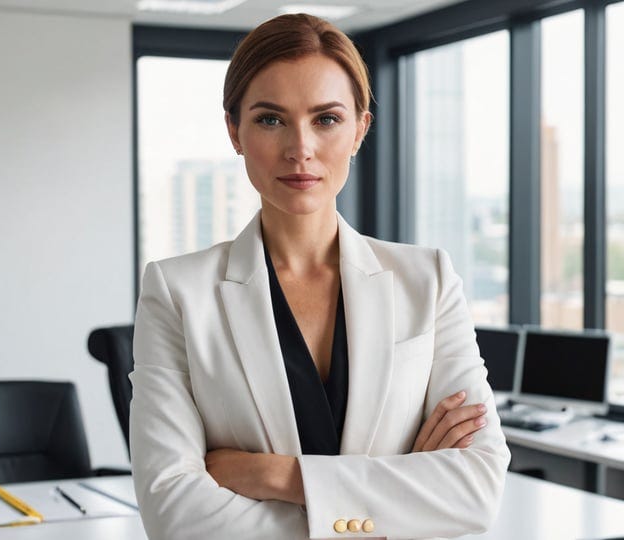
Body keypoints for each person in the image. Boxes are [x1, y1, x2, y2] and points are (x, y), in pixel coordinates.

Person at [130, 13, 510, 540]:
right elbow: (173, 513)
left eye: (326, 119)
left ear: (360, 129)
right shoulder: (177, 293)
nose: (300, 148)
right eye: (270, 119)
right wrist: (400, 496)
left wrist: (274, 475)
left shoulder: (428, 281)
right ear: (234, 131)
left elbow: (476, 492)